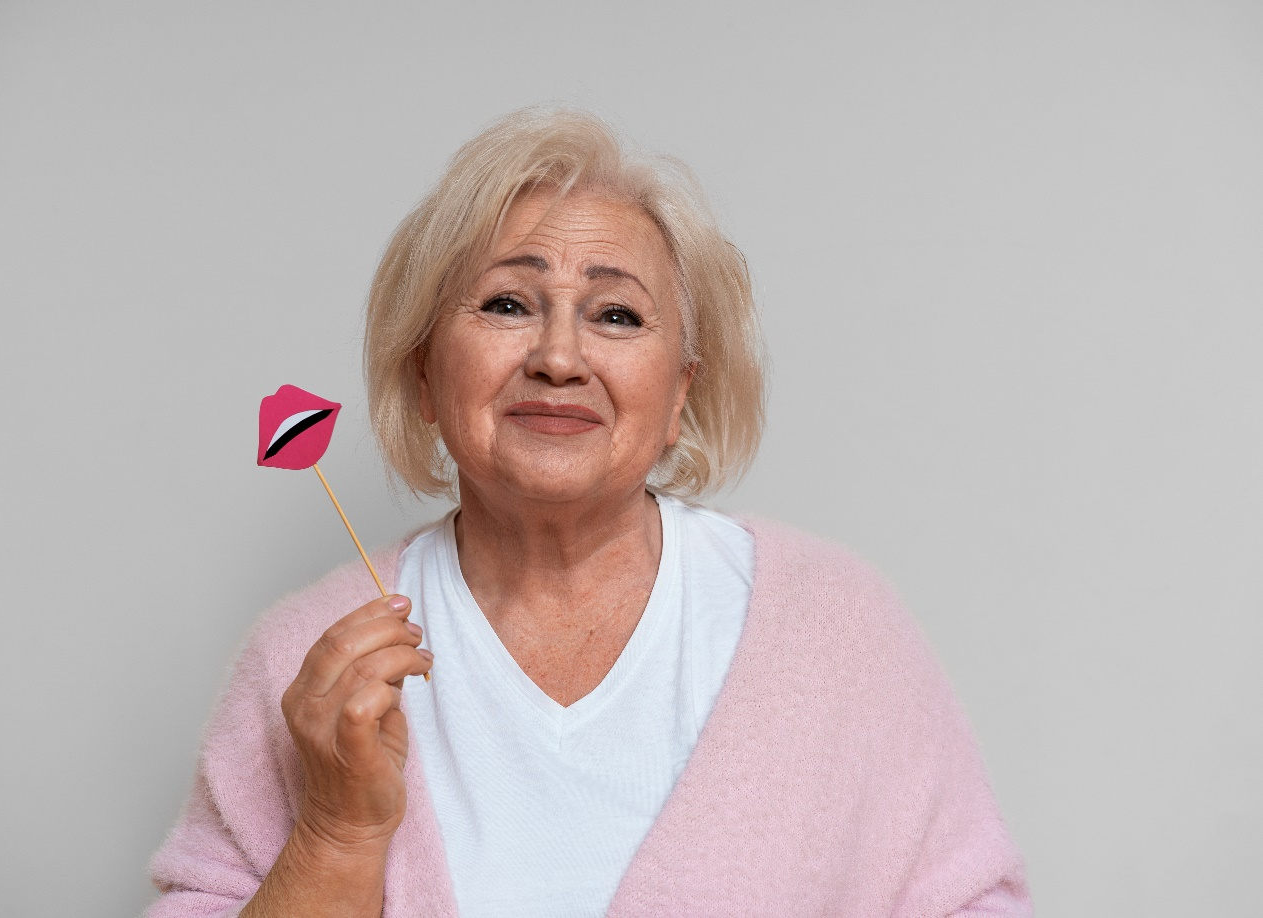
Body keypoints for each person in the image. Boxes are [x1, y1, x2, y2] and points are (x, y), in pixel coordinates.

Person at [147, 108, 1032, 918]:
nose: (559, 357)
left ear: (680, 392)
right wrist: (335, 835)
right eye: (505, 303)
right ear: (423, 374)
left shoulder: (837, 624)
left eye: (615, 313)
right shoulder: (305, 654)